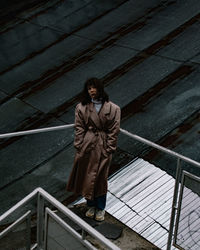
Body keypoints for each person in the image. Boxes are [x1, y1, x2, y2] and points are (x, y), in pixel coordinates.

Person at [66, 77, 121, 221]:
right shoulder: (82, 107)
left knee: (100, 178)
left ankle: (100, 208)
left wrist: (109, 148)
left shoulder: (114, 108)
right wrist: (79, 145)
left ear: (100, 88)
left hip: (102, 145)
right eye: (89, 88)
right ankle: (90, 204)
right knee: (86, 175)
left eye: (94, 87)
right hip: (87, 144)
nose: (92, 91)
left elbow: (114, 130)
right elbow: (79, 127)